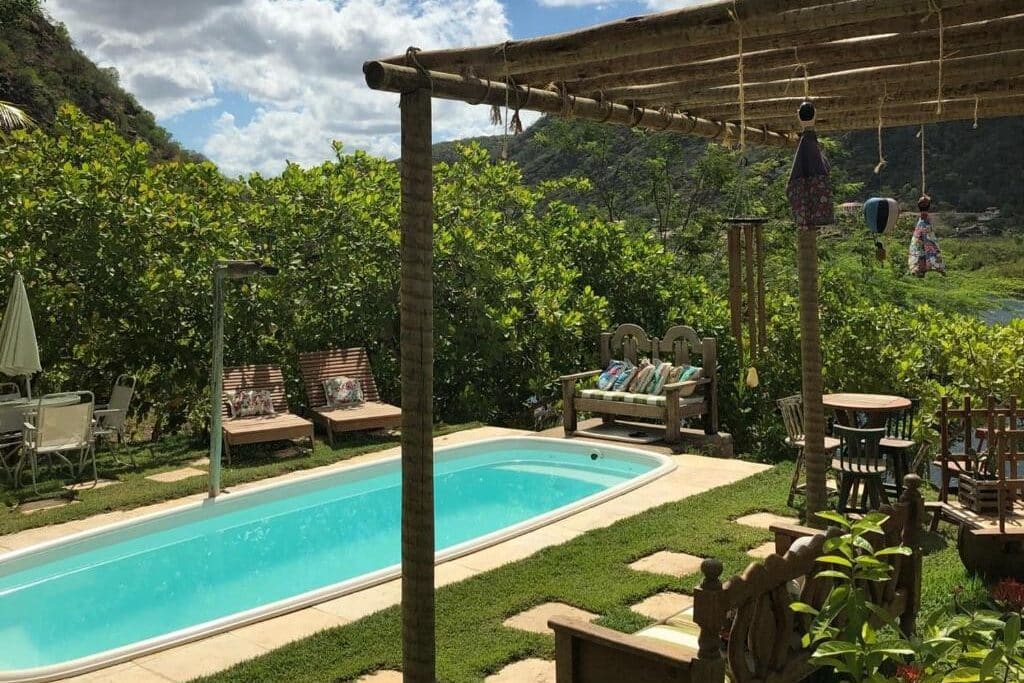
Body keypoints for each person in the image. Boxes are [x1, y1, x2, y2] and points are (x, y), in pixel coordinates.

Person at [908, 195, 946, 277]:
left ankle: (919, 268)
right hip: (925, 227)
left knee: (918, 247)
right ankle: (933, 267)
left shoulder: (922, 220)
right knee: (929, 246)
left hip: (920, 227)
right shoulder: (925, 220)